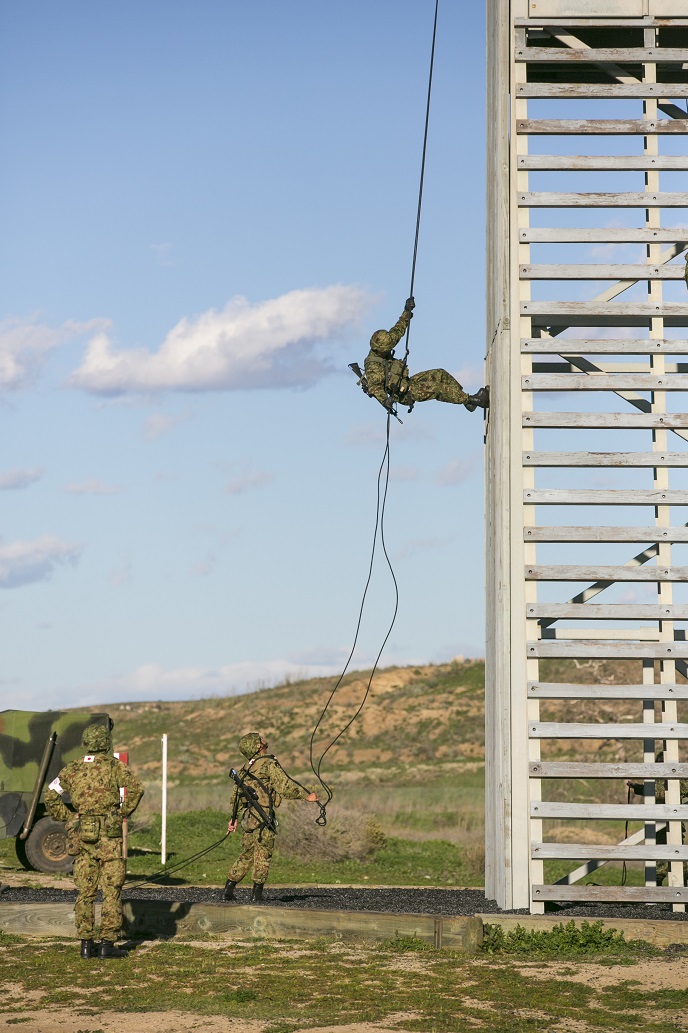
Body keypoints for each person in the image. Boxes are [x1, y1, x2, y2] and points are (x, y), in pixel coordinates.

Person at [44, 723, 144, 959]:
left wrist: (69, 817)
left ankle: (86, 945)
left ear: (86, 743)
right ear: (106, 743)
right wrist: (121, 813)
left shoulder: (73, 768)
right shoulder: (113, 766)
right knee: (111, 890)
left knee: (85, 892)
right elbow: (136, 788)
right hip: (109, 835)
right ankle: (107, 945)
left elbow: (50, 795)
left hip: (82, 834)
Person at [223, 732, 318, 903]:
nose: (264, 740)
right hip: (262, 817)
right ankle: (256, 895)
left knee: (247, 853)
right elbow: (285, 785)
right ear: (258, 746)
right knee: (263, 855)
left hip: (248, 818)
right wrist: (305, 796)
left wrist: (234, 818)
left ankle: (228, 889)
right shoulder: (268, 764)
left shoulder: (245, 768)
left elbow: (236, 795)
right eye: (260, 739)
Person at [360, 297, 489, 413]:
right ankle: (475, 400)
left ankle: (467, 402)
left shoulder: (383, 344)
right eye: (388, 348)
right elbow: (375, 388)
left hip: (407, 382)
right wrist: (385, 402)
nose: (390, 349)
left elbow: (397, 330)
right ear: (379, 349)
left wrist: (406, 311)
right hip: (404, 394)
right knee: (437, 388)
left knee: (440, 374)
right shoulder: (373, 366)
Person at [627, 750, 688, 886]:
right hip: (660, 823)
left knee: (677, 860)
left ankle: (677, 889)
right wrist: (636, 787)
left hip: (673, 823)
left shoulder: (675, 779)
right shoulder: (657, 779)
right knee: (663, 859)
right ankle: (659, 890)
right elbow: (649, 791)